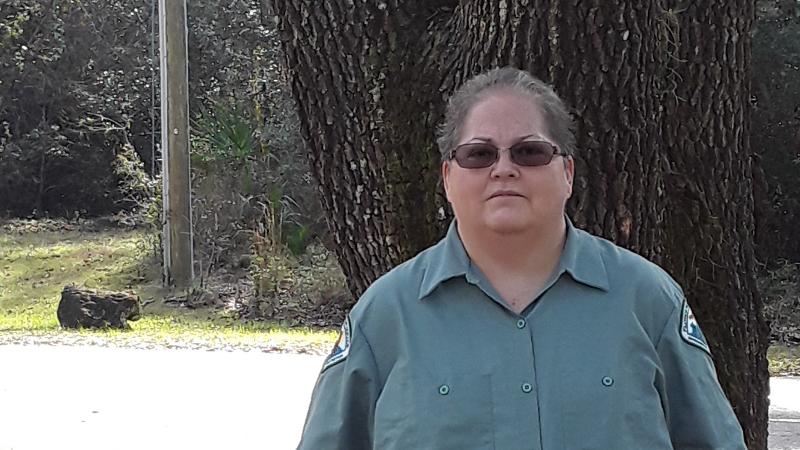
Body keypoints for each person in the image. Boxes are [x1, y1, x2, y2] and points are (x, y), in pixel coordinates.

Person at [297, 66, 746, 450]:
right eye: (479, 154)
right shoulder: (385, 316)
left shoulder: (648, 301)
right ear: (449, 177)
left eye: (530, 151)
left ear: (566, 172)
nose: (504, 168)